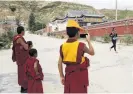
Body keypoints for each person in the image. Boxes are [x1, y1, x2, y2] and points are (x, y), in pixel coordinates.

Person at [58, 20, 95, 93]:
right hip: (79, 77)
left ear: (67, 33)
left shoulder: (63, 46)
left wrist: (62, 76)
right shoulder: (81, 45)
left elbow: (59, 64)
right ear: (77, 33)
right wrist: (89, 41)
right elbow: (92, 52)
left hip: (68, 76)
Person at [12, 26, 29, 93]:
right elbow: (26, 47)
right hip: (23, 59)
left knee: (21, 72)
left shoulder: (15, 37)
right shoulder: (19, 38)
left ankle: (23, 87)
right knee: (24, 72)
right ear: (22, 31)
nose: (24, 32)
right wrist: (27, 44)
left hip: (19, 58)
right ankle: (24, 88)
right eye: (24, 31)